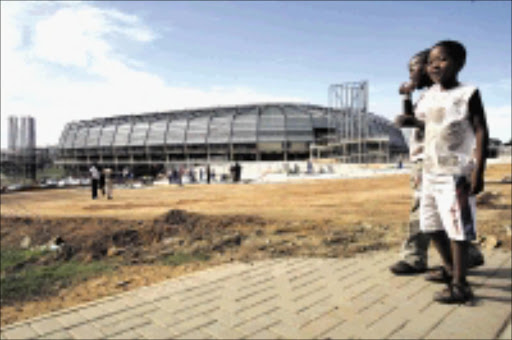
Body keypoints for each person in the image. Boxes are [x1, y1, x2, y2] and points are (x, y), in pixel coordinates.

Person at [390, 48, 484, 276]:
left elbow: (450, 125)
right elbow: (414, 121)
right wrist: (406, 98)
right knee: (433, 215)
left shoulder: (456, 93)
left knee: (433, 212)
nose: (412, 73)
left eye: (415, 68)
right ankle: (459, 261)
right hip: (426, 159)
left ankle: (416, 256)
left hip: (441, 161)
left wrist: (478, 171)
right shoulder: (428, 95)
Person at [415, 40, 489, 304]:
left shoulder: (468, 93)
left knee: (458, 228)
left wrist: (478, 170)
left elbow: (481, 129)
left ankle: (460, 285)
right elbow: (422, 123)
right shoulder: (429, 95)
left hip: (456, 173)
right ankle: (449, 268)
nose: (435, 65)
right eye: (431, 61)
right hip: (430, 172)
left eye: (442, 59)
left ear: (459, 64)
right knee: (430, 224)